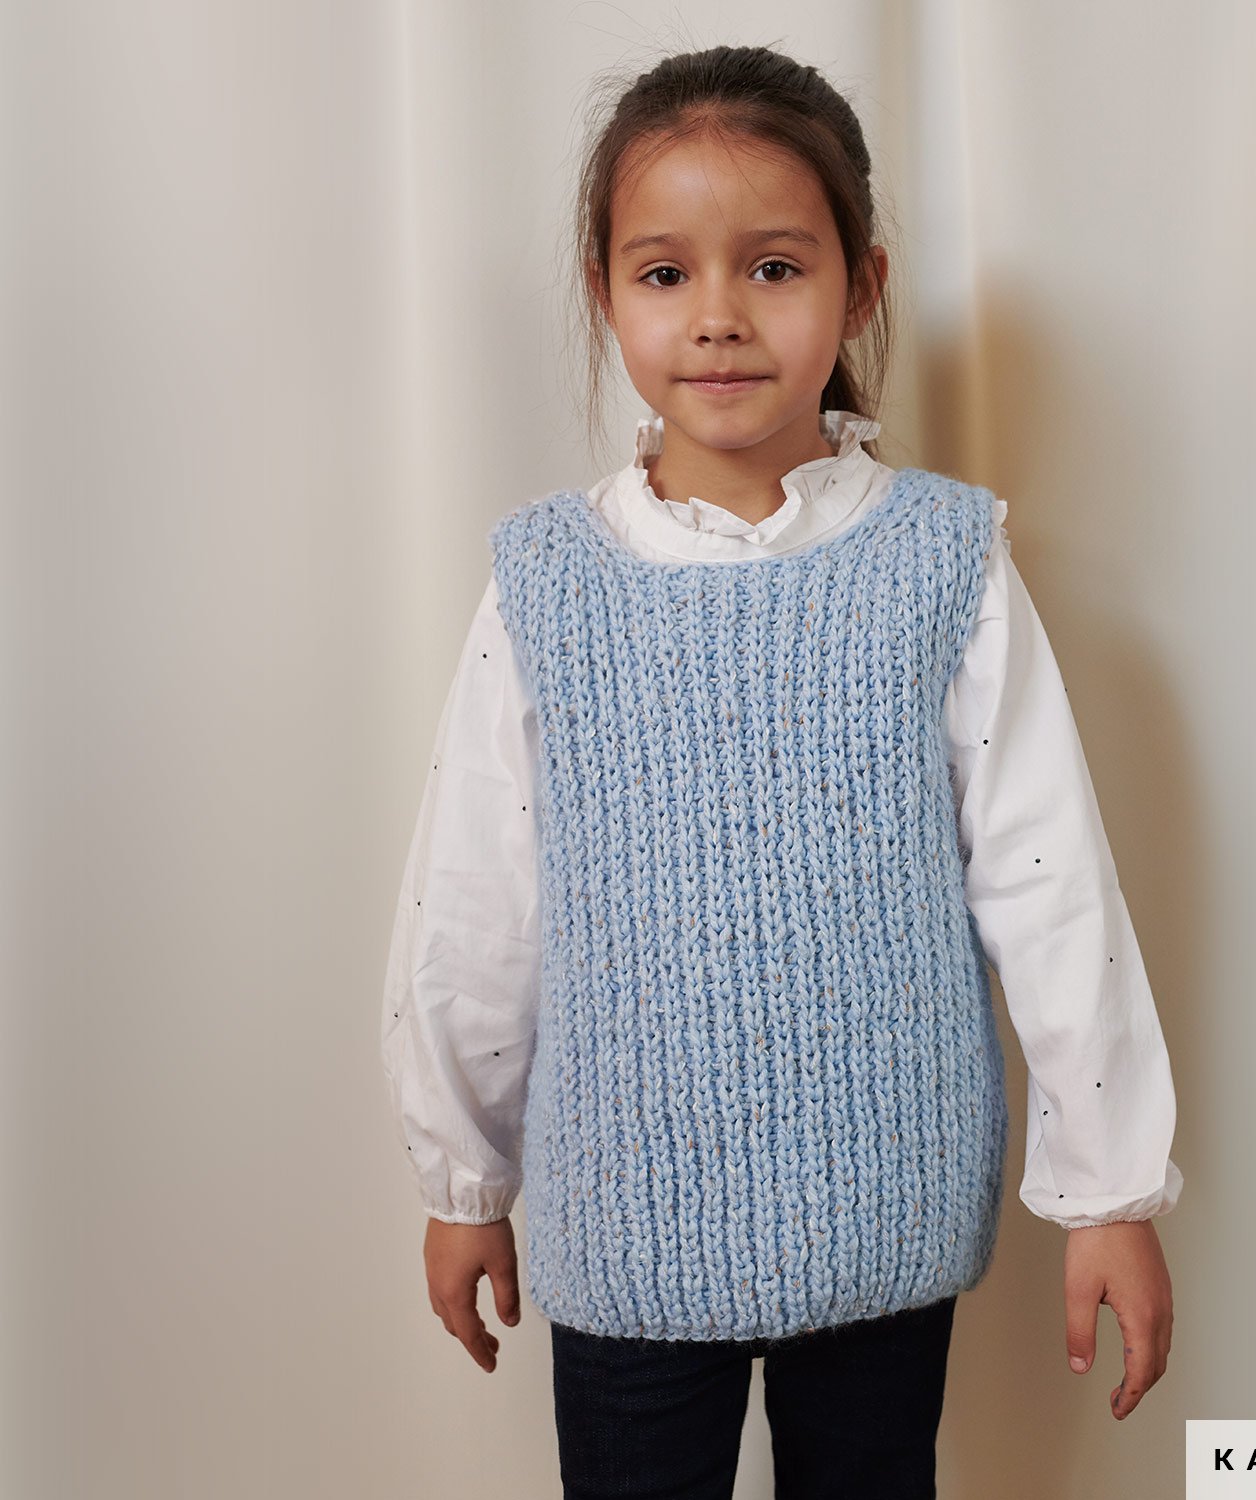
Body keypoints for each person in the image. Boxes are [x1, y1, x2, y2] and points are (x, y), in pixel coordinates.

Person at [381, 42, 1183, 1500]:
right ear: (605, 293)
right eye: (664, 272)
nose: (719, 316)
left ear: (858, 285)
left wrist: (1111, 1189)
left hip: (885, 1206)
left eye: (772, 266)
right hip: (625, 1218)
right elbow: (477, 898)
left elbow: (1047, 877)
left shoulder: (943, 559)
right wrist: (464, 1176)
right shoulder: (548, 579)